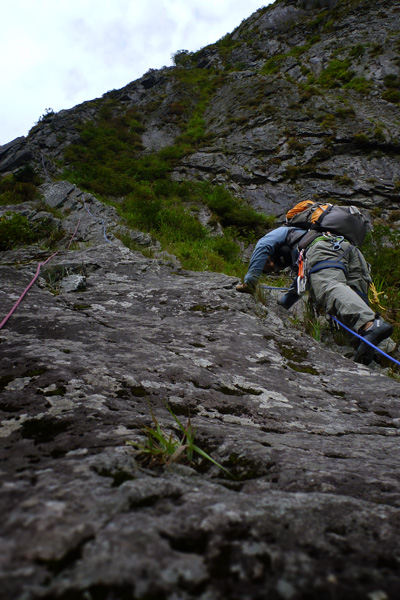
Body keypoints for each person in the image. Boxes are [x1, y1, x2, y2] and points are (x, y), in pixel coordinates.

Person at [236, 225, 393, 365]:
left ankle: (371, 325)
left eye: (267, 264)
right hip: (348, 250)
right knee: (353, 299)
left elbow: (262, 246)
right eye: (268, 270)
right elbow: (300, 286)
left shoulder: (284, 232)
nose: (270, 267)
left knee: (328, 287)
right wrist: (282, 306)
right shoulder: (303, 245)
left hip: (324, 248)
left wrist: (250, 283)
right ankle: (384, 351)